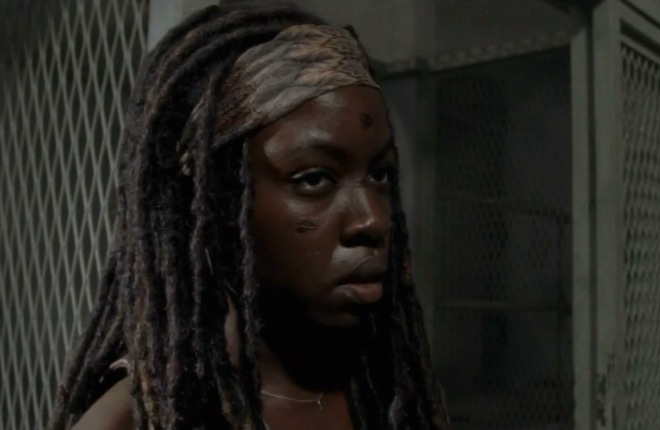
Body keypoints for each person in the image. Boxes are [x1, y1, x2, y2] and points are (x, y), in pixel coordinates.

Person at [49, 1, 448, 429]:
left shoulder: (392, 392)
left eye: (380, 174)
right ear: (216, 204)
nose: (374, 221)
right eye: (315, 179)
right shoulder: (152, 416)